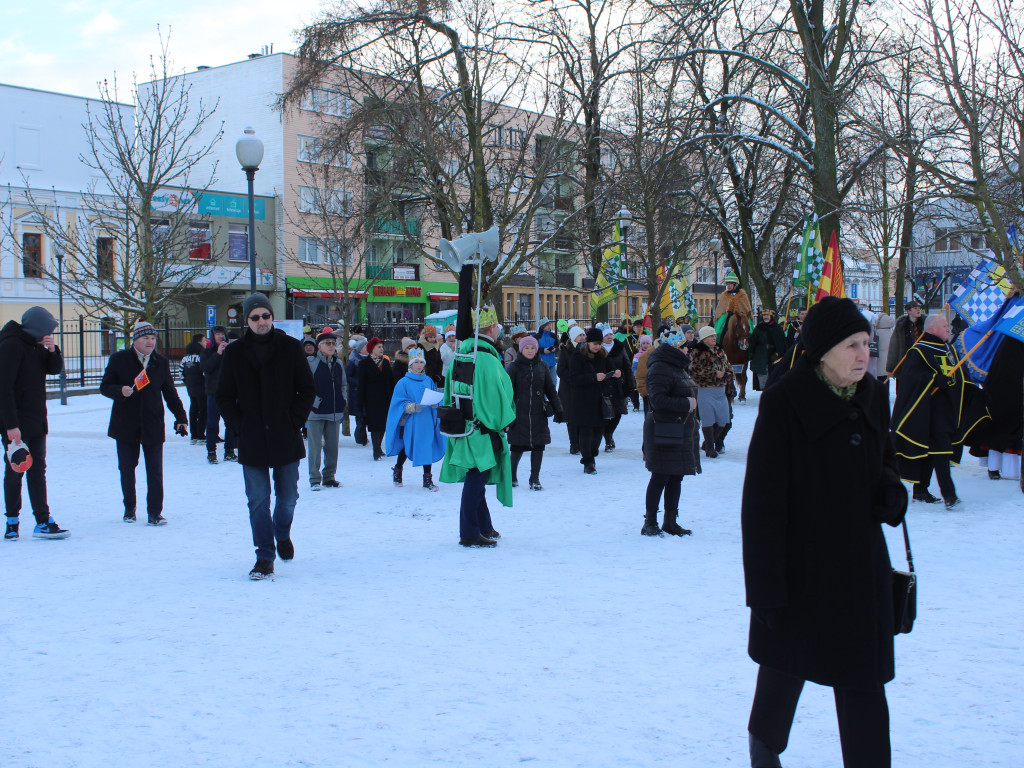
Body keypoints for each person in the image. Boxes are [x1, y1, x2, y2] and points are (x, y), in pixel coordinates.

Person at [741, 296, 909, 768]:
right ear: (822, 350)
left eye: (867, 344)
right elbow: (761, 506)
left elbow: (887, 457)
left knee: (863, 682)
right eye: (853, 345)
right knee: (783, 667)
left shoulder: (874, 393)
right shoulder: (785, 401)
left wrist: (892, 489)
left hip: (860, 571)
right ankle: (764, 746)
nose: (864, 355)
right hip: (799, 571)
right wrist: (766, 591)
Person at [217, 293, 315, 580]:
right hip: (252, 438)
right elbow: (223, 396)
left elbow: (306, 390)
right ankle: (264, 555)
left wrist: (293, 421)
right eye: (255, 317)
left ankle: (281, 533)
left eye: (266, 316)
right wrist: (238, 426)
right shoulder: (235, 353)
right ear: (247, 320)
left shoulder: (290, 347)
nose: (261, 321)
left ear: (272, 317)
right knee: (258, 500)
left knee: (288, 499)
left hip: (285, 435)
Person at [890, 313, 990, 508]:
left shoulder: (949, 349)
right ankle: (950, 496)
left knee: (932, 451)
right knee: (942, 451)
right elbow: (910, 379)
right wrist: (932, 379)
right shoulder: (918, 351)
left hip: (949, 409)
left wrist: (975, 393)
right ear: (932, 328)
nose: (948, 328)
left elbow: (960, 377)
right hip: (929, 411)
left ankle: (920, 490)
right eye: (944, 325)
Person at [439, 306, 515, 547]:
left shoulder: (461, 355)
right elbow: (501, 396)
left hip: (463, 427)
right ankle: (469, 533)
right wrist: (504, 422)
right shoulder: (488, 360)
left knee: (477, 477)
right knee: (476, 478)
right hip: (484, 430)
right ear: (492, 329)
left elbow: (449, 390)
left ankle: (484, 526)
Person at [100, 319, 188, 525]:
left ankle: (155, 512)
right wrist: (119, 391)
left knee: (155, 470)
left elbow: (170, 393)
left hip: (152, 422)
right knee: (127, 468)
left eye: (152, 338)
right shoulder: (119, 359)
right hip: (125, 423)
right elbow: (105, 386)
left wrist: (181, 418)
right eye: (145, 338)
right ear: (135, 340)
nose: (150, 342)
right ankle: (129, 508)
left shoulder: (161, 362)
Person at [0, 306, 70, 540]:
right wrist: (10, 425)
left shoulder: (36, 345)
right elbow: (4, 388)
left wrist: (52, 351)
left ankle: (42, 520)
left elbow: (53, 369)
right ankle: (12, 521)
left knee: (38, 470)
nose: (49, 334)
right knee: (16, 470)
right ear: (37, 328)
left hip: (37, 420)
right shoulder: (11, 345)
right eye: (47, 331)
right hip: (16, 423)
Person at [641, 330, 700, 537]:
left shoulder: (677, 367)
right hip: (663, 430)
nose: (688, 351)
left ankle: (670, 521)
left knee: (676, 476)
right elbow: (657, 400)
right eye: (685, 348)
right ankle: (650, 522)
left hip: (679, 429)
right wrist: (687, 404)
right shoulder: (659, 368)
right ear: (676, 349)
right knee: (660, 476)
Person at [506, 334, 563, 490]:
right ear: (521, 349)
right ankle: (511, 476)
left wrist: (559, 409)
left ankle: (534, 479)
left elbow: (550, 389)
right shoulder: (513, 367)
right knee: (517, 446)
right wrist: (506, 416)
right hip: (519, 413)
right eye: (526, 348)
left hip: (538, 412)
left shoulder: (542, 366)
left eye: (532, 348)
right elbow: (506, 393)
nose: (530, 351)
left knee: (538, 446)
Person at [386, 349, 446, 490]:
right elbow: (398, 403)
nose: (419, 365)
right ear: (410, 365)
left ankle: (427, 480)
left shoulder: (428, 380)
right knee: (407, 445)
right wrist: (412, 406)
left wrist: (436, 402)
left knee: (427, 446)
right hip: (412, 421)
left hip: (427, 420)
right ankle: (398, 469)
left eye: (421, 362)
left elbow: (433, 394)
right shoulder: (403, 383)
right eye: (416, 362)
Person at [569, 327, 617, 474]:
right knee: (586, 432)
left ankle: (592, 454)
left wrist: (615, 373)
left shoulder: (603, 355)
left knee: (598, 432)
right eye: (594, 343)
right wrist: (593, 377)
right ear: (588, 343)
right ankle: (588, 461)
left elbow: (610, 369)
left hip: (600, 399)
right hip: (583, 400)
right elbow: (574, 378)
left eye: (599, 343)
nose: (597, 346)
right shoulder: (578, 356)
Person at [306, 329, 346, 491]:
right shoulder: (310, 362)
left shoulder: (338, 363)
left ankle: (329, 477)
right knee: (315, 447)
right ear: (319, 346)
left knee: (332, 447)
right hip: (315, 412)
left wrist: (343, 400)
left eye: (333, 343)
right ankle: (314, 478)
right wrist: (314, 402)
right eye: (327, 343)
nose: (331, 346)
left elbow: (343, 384)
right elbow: (304, 386)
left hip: (334, 410)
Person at [689, 326, 733, 459]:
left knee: (723, 419)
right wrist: (714, 374)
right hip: (705, 389)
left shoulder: (720, 351)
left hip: (721, 390)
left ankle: (709, 442)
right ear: (704, 339)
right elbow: (694, 371)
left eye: (714, 335)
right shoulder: (697, 352)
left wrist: (727, 374)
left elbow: (728, 366)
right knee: (708, 419)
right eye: (711, 336)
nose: (714, 338)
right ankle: (710, 448)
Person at [200, 325, 236, 464]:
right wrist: (218, 353)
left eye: (222, 334)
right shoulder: (206, 352)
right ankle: (211, 452)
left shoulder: (231, 351)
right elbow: (205, 367)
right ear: (212, 336)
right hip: (213, 392)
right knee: (212, 424)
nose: (220, 336)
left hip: (229, 392)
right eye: (218, 334)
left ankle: (230, 451)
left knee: (231, 422)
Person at [358, 337, 396, 460]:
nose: (381, 349)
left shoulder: (385, 362)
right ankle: (375, 450)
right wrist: (360, 403)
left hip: (385, 399)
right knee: (374, 425)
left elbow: (391, 381)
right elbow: (361, 384)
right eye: (378, 347)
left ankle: (379, 447)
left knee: (383, 424)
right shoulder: (364, 364)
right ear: (371, 349)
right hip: (371, 400)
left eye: (382, 347)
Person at [600, 325, 635, 452]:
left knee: (618, 412)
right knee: (603, 413)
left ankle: (609, 434)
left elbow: (627, 366)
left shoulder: (619, 348)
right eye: (606, 335)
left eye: (611, 334)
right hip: (602, 386)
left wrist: (628, 381)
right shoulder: (597, 349)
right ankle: (607, 436)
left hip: (617, 385)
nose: (609, 337)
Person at [557, 325, 586, 454]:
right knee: (571, 418)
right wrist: (574, 379)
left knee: (583, 416)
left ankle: (582, 442)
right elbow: (561, 370)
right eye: (580, 335)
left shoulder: (587, 349)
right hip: (569, 389)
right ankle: (574, 444)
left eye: (583, 335)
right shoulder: (565, 350)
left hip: (584, 388)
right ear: (574, 337)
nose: (583, 337)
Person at [884, 300, 924, 385]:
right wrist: (890, 368)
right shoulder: (902, 326)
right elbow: (894, 346)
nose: (918, 310)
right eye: (915, 308)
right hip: (905, 363)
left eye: (919, 308)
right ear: (908, 311)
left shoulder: (925, 324)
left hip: (922, 362)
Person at [749, 309, 787, 391]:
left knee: (775, 378)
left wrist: (778, 353)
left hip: (774, 357)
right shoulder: (758, 328)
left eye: (767, 315)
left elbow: (782, 343)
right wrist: (751, 355)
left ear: (771, 316)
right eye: (764, 315)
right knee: (763, 379)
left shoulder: (777, 328)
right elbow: (752, 342)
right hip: (761, 357)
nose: (766, 317)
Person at [180, 332, 207, 445]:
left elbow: (181, 373)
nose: (206, 342)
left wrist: (187, 383)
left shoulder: (185, 358)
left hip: (190, 388)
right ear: (199, 342)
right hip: (202, 387)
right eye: (204, 340)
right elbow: (206, 371)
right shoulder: (201, 356)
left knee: (193, 409)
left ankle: (194, 435)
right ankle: (201, 435)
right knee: (203, 411)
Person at [346, 337, 369, 446]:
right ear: (360, 349)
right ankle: (360, 436)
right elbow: (347, 376)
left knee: (366, 414)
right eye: (365, 346)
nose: (368, 348)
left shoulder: (370, 359)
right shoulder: (353, 360)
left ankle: (363, 435)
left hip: (367, 392)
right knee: (360, 415)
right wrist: (358, 382)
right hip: (356, 392)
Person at [632, 333, 655, 415]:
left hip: (652, 379)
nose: (645, 345)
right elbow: (634, 367)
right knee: (646, 399)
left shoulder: (654, 354)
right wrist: (636, 374)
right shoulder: (638, 356)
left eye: (647, 343)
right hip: (642, 380)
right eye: (643, 343)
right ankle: (647, 418)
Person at [534, 318, 559, 387]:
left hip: (552, 363)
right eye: (547, 325)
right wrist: (543, 350)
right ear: (543, 327)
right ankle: (543, 398)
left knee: (553, 382)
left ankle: (552, 397)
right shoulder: (537, 337)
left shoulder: (553, 335)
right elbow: (534, 349)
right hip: (541, 363)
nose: (549, 326)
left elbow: (557, 345)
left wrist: (555, 348)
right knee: (543, 383)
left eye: (549, 324)